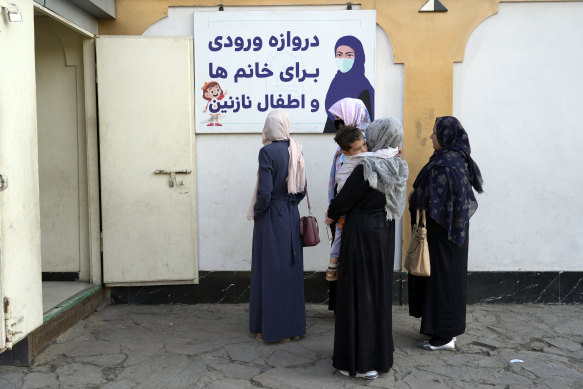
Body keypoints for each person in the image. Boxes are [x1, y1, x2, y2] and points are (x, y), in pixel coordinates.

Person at [325, 118, 408, 379]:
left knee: (358, 294)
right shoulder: (397, 163)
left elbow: (342, 202)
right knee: (377, 294)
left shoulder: (367, 167)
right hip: (383, 234)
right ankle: (379, 358)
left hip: (361, 234)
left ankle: (361, 363)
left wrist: (331, 213)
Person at [408, 116, 484, 351]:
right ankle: (437, 329)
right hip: (445, 234)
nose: (431, 136)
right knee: (440, 282)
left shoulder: (448, 164)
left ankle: (445, 336)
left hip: (445, 234)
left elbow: (441, 199)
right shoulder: (449, 159)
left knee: (444, 283)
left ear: (447, 136)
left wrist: (416, 197)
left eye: (434, 132)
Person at [247, 109, 307, 343]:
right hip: (290, 214)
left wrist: (259, 213)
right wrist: (290, 205)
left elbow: (265, 192)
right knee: (289, 270)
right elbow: (302, 188)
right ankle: (292, 329)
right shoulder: (296, 149)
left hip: (271, 216)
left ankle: (272, 330)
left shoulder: (267, 152)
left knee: (270, 271)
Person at [325, 125, 398, 281]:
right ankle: (332, 265)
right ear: (347, 153)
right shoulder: (360, 162)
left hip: (349, 210)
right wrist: (394, 151)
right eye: (358, 148)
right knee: (338, 234)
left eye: (364, 144)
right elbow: (379, 154)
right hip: (344, 205)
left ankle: (333, 266)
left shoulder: (362, 158)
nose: (364, 150)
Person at [325, 98, 371, 311]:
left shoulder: (365, 146)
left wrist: (336, 210)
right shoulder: (345, 147)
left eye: (340, 119)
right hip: (341, 212)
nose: (338, 123)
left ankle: (348, 308)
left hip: (353, 215)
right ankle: (340, 306)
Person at [323, 36, 375, 133]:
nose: (343, 59)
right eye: (339, 55)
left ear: (358, 57)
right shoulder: (336, 82)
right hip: (338, 139)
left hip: (354, 140)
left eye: (349, 55)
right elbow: (331, 117)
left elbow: (366, 125)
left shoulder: (364, 88)